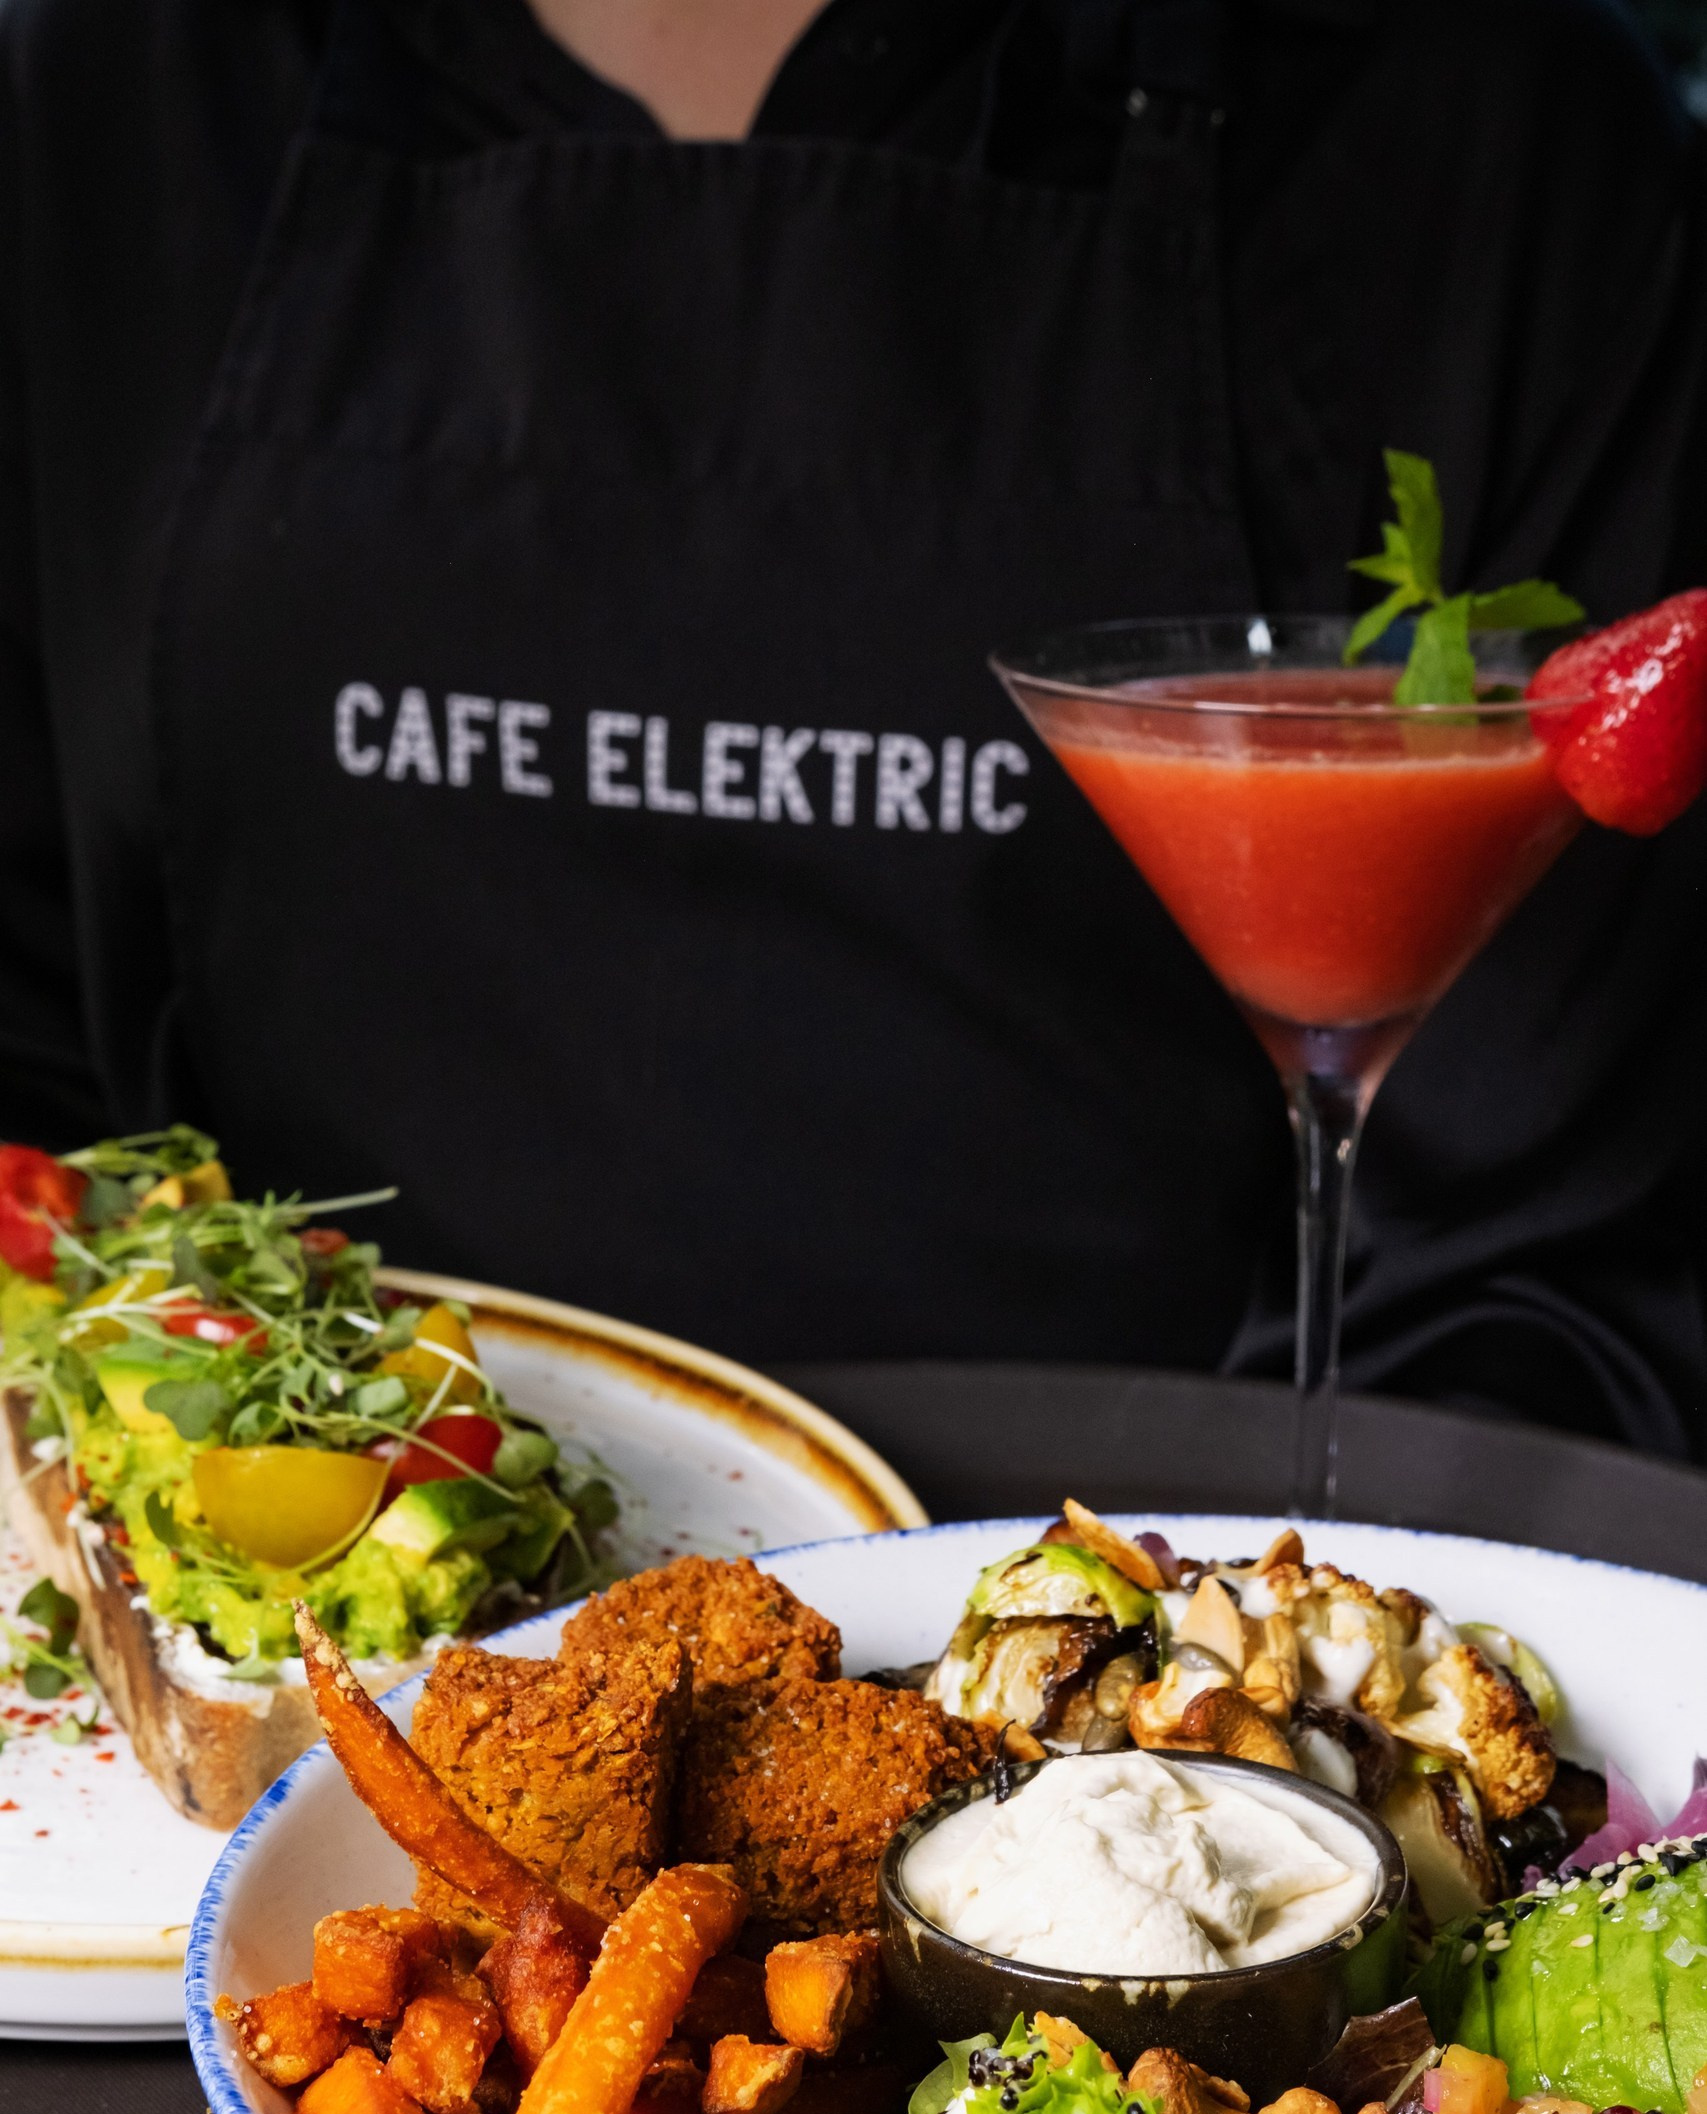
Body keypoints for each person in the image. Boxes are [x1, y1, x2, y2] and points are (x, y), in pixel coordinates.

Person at [1, 0, 1703, 1452]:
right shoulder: (90, 95)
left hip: (1136, 1632)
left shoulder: (1487, 137)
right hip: (267, 1602)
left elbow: (1547, 1278)